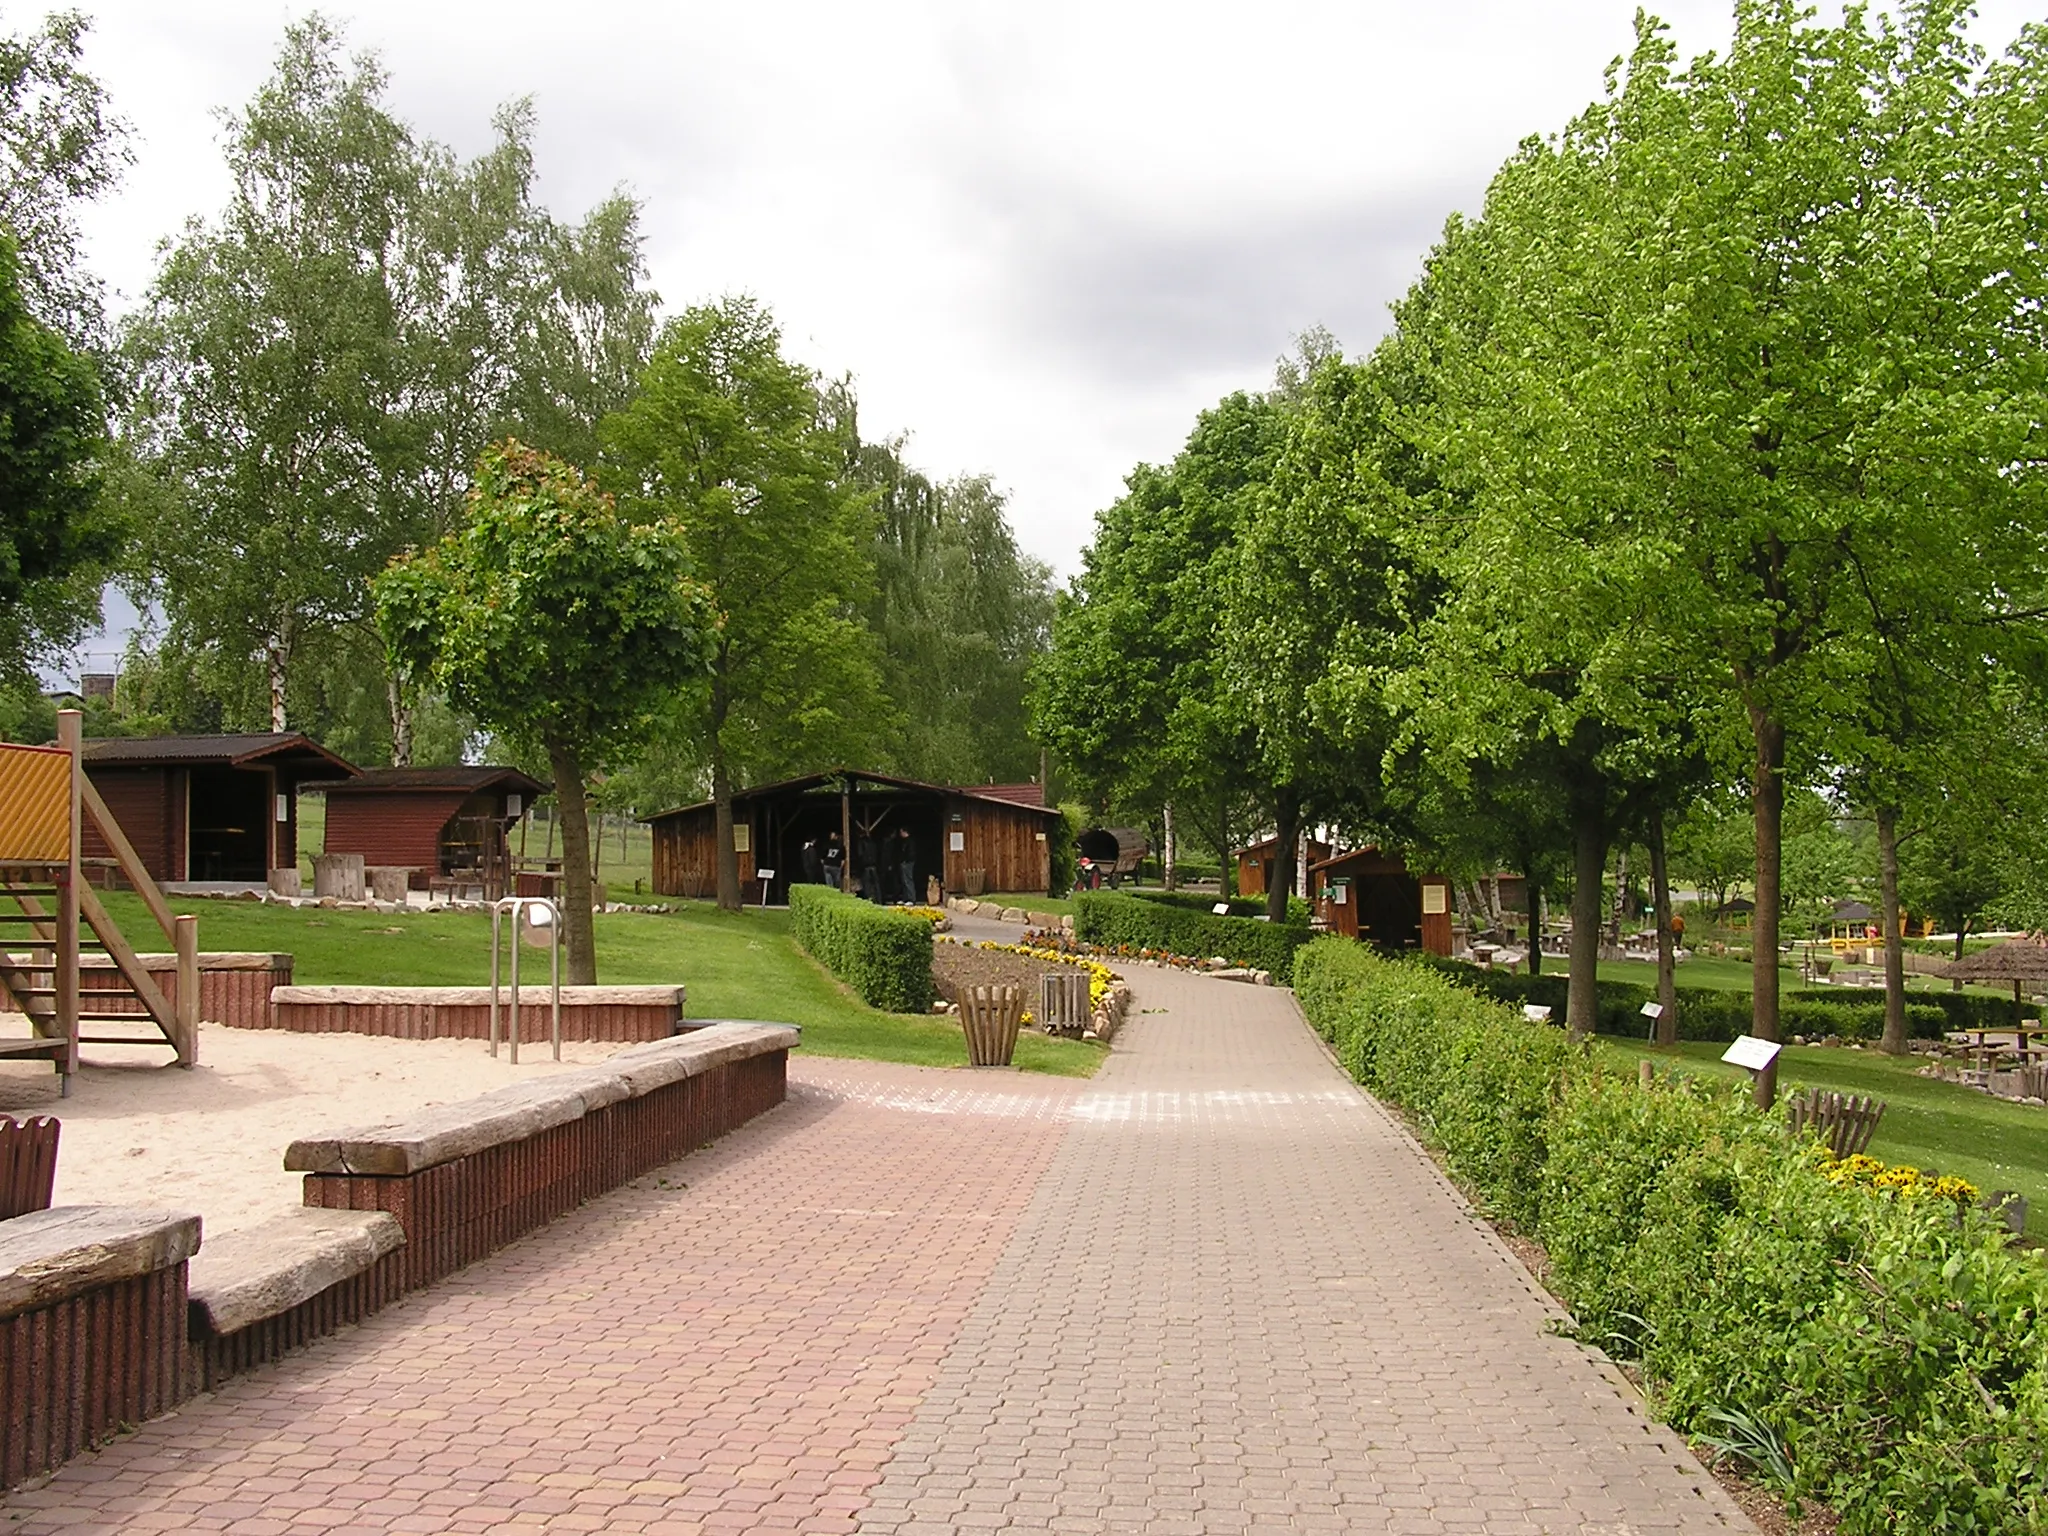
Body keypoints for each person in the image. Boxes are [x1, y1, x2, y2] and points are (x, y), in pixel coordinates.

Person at [856, 828, 882, 904]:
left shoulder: (861, 842)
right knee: (876, 884)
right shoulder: (872, 842)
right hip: (874, 865)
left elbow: (860, 854)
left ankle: (868, 899)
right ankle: (879, 899)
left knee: (867, 884)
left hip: (866, 865)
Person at [895, 826, 918, 904]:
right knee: (904, 881)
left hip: (908, 863)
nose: (900, 834)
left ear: (905, 832)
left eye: (901, 832)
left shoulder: (910, 841)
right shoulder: (904, 841)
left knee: (908, 880)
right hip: (904, 862)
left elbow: (911, 853)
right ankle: (905, 898)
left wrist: (906, 860)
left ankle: (911, 899)